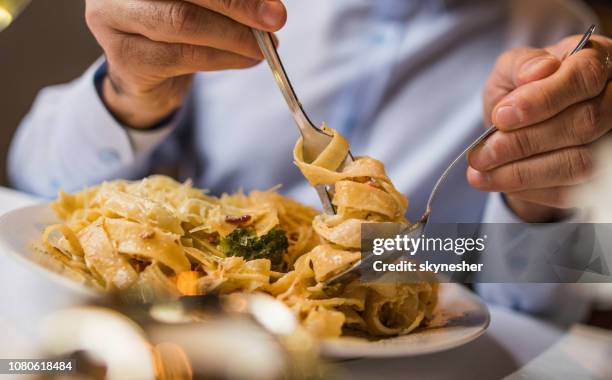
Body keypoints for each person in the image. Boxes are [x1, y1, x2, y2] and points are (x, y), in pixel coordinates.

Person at [8, 0, 611, 322]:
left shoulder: (561, 47)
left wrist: (535, 201)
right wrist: (131, 93)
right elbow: (33, 181)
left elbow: (546, 302)